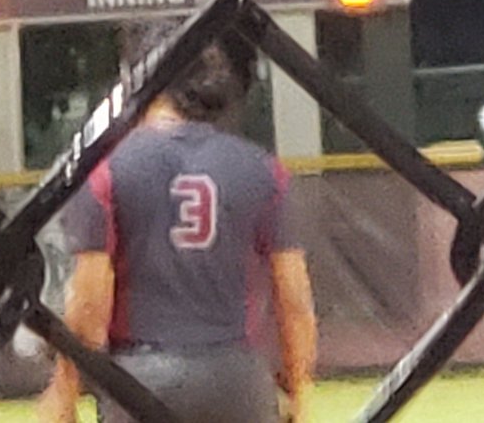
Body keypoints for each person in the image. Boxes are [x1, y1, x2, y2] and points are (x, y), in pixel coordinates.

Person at [37, 24, 318, 423]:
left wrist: (64, 390)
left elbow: (89, 305)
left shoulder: (107, 171)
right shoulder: (263, 170)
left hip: (140, 376)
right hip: (236, 376)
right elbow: (294, 299)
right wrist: (299, 387)